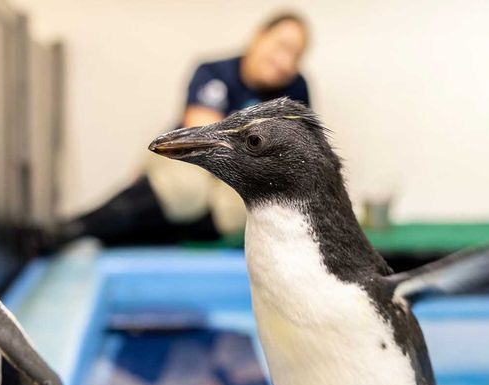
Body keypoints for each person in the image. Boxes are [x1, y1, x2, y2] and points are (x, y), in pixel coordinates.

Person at [55, 12, 311, 248]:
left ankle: (138, 240)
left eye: (296, 56)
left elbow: (291, 156)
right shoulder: (215, 71)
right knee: (187, 188)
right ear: (259, 35)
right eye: (282, 47)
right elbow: (203, 138)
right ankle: (70, 231)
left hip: (234, 183)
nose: (284, 62)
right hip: (189, 165)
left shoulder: (296, 89)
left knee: (235, 207)